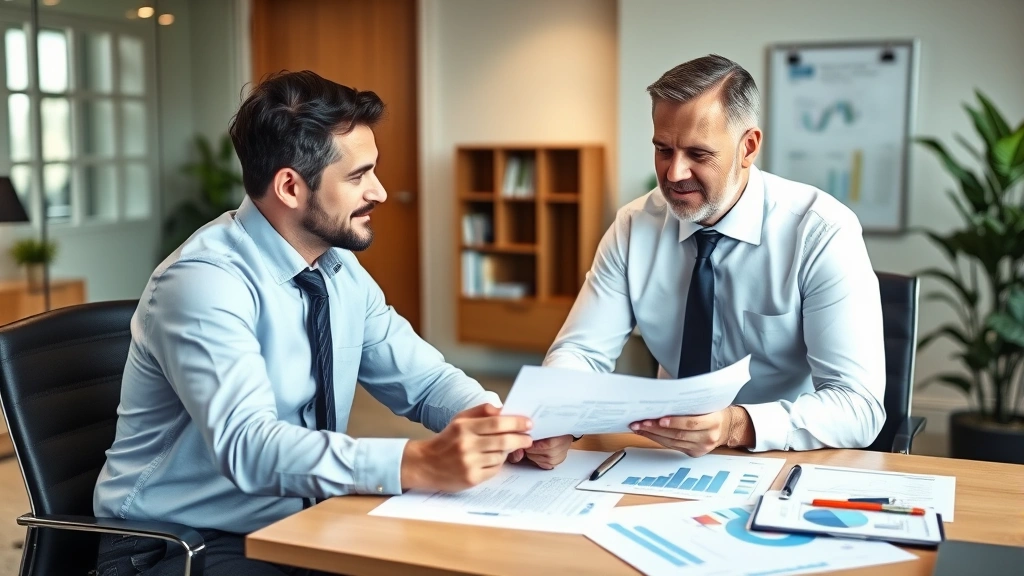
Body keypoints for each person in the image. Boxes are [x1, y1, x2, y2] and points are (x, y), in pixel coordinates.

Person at [93, 70, 572, 576]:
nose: (381, 192)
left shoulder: (337, 270)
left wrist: (501, 423)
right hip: (177, 544)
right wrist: (415, 462)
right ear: (290, 187)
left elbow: (422, 378)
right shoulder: (203, 283)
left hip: (298, 518)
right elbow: (247, 445)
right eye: (358, 176)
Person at [543, 54, 885, 458]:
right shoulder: (634, 226)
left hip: (786, 454)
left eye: (698, 155)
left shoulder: (820, 231)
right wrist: (555, 415)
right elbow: (581, 352)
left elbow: (858, 406)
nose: (674, 174)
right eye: (663, 150)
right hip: (666, 456)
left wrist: (735, 425)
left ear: (748, 147)